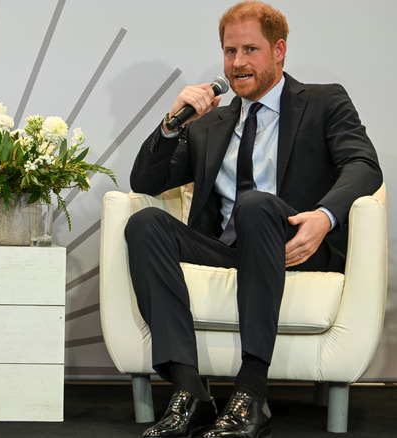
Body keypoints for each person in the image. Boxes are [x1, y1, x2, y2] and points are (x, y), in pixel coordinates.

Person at [124, 1, 382, 437]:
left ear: (279, 51)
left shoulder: (323, 101)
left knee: (256, 205)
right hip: (229, 248)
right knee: (145, 223)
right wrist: (171, 123)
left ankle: (251, 393)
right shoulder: (209, 124)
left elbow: (363, 165)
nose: (238, 63)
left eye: (250, 50)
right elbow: (146, 180)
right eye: (230, 51)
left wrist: (323, 217)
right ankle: (190, 392)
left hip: (294, 246)